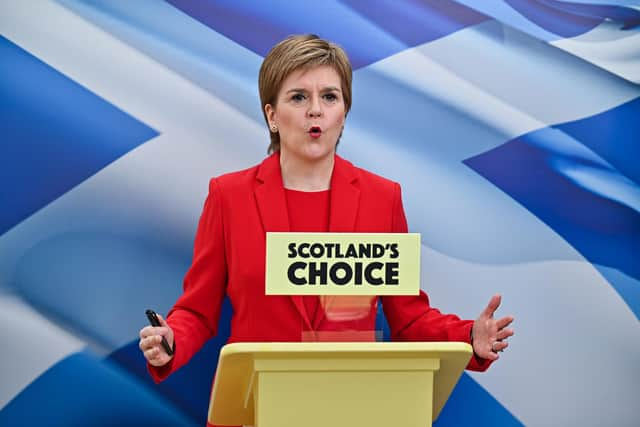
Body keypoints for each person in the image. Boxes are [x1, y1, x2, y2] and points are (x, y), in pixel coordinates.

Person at [139, 34, 514, 425]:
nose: (315, 111)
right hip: (252, 412)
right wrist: (171, 340)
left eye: (329, 97)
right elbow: (197, 311)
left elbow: (410, 320)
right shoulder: (228, 196)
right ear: (271, 114)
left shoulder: (382, 198)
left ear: (344, 112)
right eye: (298, 97)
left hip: (349, 411)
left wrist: (469, 336)